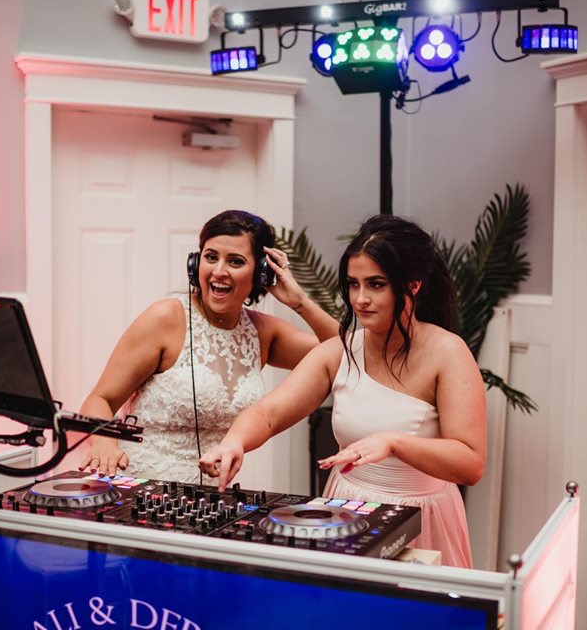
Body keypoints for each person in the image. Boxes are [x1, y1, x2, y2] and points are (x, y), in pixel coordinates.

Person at [198, 214, 486, 568]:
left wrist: (395, 442)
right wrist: (234, 442)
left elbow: (470, 463)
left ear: (412, 285)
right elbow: (268, 413)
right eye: (353, 284)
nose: (360, 299)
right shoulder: (342, 350)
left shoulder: (449, 352)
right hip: (347, 510)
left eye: (376, 284)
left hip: (423, 516)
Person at [77, 209, 340, 483]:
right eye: (211, 257)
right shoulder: (166, 318)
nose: (219, 271)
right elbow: (100, 399)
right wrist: (105, 443)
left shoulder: (263, 333)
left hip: (210, 502)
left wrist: (300, 302)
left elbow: (347, 354)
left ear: (261, 273)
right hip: (139, 488)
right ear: (195, 263)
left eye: (235, 262)